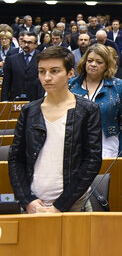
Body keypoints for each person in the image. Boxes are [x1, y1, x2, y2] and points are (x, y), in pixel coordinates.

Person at [9, 46, 102, 213]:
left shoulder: (88, 110)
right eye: (42, 71)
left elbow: (92, 161)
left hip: (73, 204)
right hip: (34, 205)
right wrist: (27, 200)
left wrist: (60, 205)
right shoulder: (29, 111)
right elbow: (16, 159)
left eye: (54, 71)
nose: (47, 78)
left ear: (70, 73)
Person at [69, 44, 122, 158]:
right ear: (84, 62)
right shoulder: (71, 85)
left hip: (107, 147)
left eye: (99, 62)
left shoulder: (118, 85)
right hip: (74, 148)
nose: (93, 64)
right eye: (90, 60)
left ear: (107, 65)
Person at [2, 31, 43, 101]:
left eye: (29, 43)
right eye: (24, 42)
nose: (26, 45)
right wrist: (4, 101)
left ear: (36, 45)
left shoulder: (42, 59)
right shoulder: (11, 59)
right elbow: (6, 83)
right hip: (15, 100)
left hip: (36, 100)